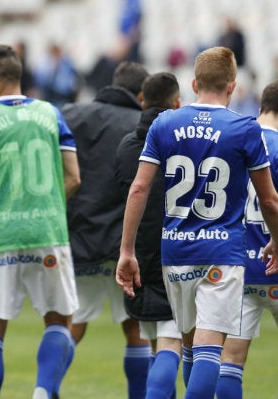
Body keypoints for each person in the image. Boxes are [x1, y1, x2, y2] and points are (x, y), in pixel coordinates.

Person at [116, 46, 278, 399]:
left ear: (193, 83)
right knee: (207, 349)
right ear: (233, 86)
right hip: (221, 249)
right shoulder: (243, 128)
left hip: (175, 251)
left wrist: (126, 249)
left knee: (188, 345)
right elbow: (268, 199)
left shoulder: (165, 123)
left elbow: (139, 187)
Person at [0, 44, 81, 399]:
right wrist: (46, 207)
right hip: (47, 230)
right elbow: (74, 178)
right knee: (58, 320)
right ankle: (43, 392)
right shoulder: (51, 114)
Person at [61, 61, 151, 399]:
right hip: (124, 248)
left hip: (78, 238)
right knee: (136, 327)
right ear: (141, 95)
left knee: (72, 325)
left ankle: (44, 389)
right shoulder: (141, 125)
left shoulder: (71, 114)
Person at [115, 72, 182, 399]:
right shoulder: (184, 143)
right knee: (173, 344)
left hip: (138, 252)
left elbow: (125, 194)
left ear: (143, 101)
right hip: (177, 249)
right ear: (178, 102)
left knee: (157, 343)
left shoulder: (127, 145)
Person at [215, 80, 278, 399]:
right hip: (274, 260)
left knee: (231, 360)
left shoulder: (235, 142)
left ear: (261, 106)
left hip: (238, 267)